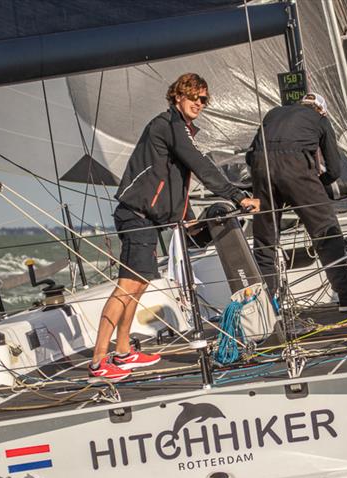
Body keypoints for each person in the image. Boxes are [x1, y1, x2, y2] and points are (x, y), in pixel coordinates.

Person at [90, 73, 260, 381]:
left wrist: (187, 215)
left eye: (203, 99)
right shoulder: (169, 125)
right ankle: (99, 360)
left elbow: (175, 180)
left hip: (148, 218)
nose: (198, 103)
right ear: (177, 96)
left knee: (138, 285)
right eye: (193, 96)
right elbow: (201, 165)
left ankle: (124, 351)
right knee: (127, 286)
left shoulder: (179, 128)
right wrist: (238, 196)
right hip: (137, 215)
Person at [247, 93, 347, 312]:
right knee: (326, 232)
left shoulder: (273, 113)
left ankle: (267, 307)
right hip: (296, 168)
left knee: (265, 239)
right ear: (321, 109)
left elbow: (250, 156)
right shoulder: (321, 120)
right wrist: (316, 186)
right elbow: (334, 168)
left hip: (261, 166)